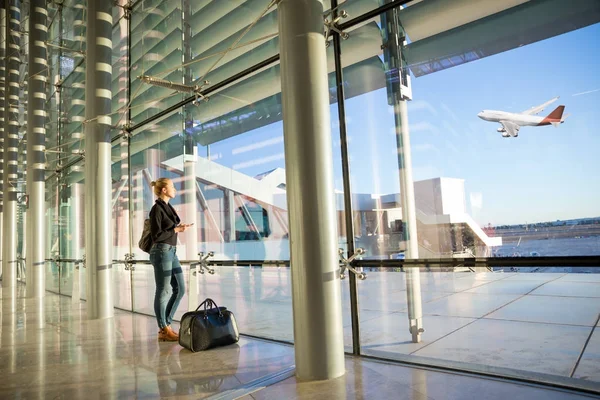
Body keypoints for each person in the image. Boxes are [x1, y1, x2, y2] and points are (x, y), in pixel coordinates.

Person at [149, 178, 193, 342]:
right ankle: (164, 328)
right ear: (164, 190)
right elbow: (156, 235)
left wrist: (179, 229)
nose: (175, 190)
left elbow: (169, 229)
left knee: (180, 288)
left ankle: (166, 324)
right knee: (164, 290)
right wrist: (176, 229)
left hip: (171, 251)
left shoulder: (167, 208)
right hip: (162, 251)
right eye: (172, 187)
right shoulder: (156, 210)